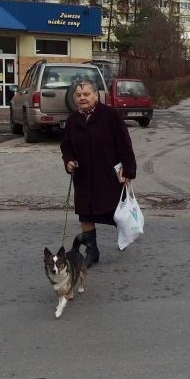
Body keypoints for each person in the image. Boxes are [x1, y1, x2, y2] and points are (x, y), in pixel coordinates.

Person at [60, 78, 137, 267]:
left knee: (115, 211)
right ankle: (92, 250)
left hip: (108, 174)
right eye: (78, 95)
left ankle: (126, 234)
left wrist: (129, 169)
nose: (82, 98)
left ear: (96, 95)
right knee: (85, 213)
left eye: (86, 94)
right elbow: (66, 145)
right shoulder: (72, 120)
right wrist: (69, 161)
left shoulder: (110, 115)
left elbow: (124, 143)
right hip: (84, 175)